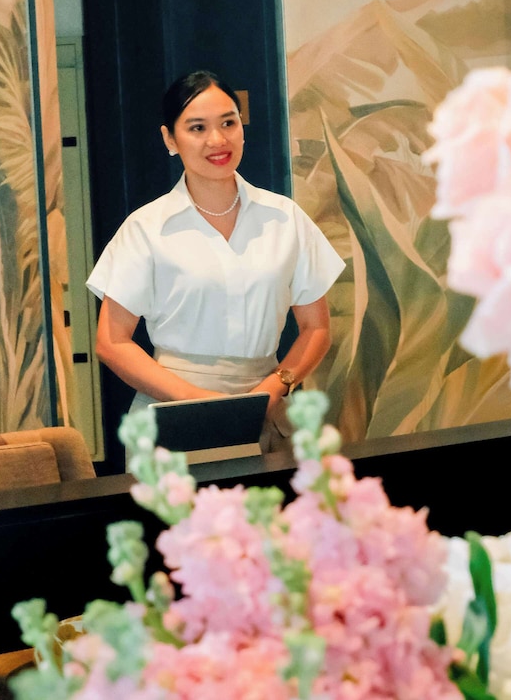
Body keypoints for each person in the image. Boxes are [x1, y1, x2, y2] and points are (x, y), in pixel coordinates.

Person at [86, 70, 344, 454]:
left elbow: (316, 328)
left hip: (269, 409)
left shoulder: (284, 218)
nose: (217, 140)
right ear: (169, 139)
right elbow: (111, 342)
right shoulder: (146, 228)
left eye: (228, 123)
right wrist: (202, 404)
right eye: (197, 128)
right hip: (175, 415)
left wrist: (273, 390)